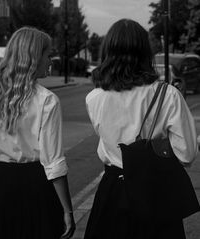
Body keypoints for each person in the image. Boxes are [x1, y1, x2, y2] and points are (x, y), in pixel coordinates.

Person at [84, 19, 198, 239]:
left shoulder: (94, 98)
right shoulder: (168, 95)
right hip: (155, 192)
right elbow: (187, 154)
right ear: (145, 51)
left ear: (107, 51)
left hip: (112, 192)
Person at [0, 27, 75, 239]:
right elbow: (53, 162)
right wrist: (67, 210)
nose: (51, 61)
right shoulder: (46, 100)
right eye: (48, 54)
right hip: (36, 191)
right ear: (33, 58)